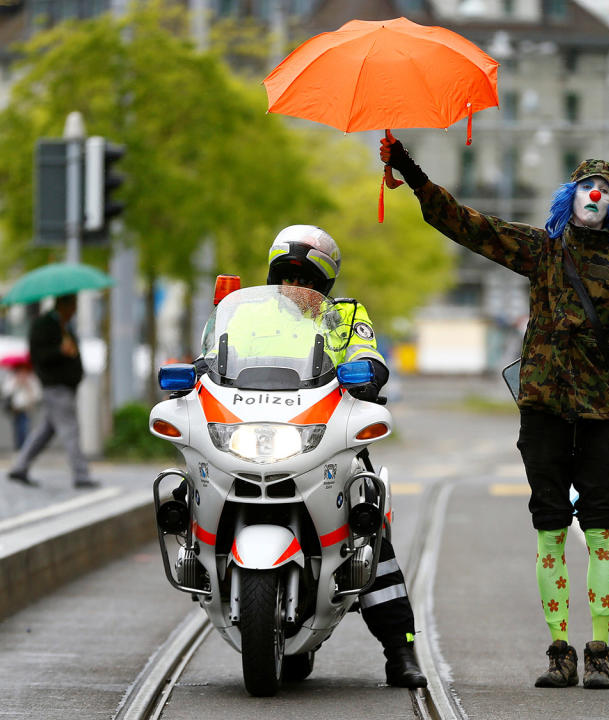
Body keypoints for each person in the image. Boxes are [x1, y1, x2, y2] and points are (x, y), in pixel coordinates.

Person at [380, 133, 609, 690]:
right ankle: (560, 652)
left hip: (599, 418)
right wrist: (411, 173)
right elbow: (468, 225)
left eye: (606, 190)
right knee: (548, 531)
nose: (596, 194)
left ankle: (599, 652)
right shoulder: (543, 251)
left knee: (600, 531)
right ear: (570, 196)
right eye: (588, 186)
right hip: (542, 411)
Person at [178, 225, 426, 688]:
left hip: (322, 431)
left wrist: (369, 375)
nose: (297, 288)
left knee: (367, 523)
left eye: (308, 280)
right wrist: (194, 375)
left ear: (324, 285)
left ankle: (400, 650)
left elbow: (369, 355)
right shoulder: (245, 316)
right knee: (187, 483)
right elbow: (211, 359)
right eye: (288, 276)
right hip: (252, 429)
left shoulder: (345, 316)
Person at [7, 293, 98, 489]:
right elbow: (37, 354)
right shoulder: (44, 325)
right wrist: (60, 351)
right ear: (63, 305)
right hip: (55, 385)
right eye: (73, 306)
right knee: (70, 429)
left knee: (46, 430)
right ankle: (81, 475)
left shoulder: (65, 327)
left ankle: (20, 466)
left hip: (64, 386)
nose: (75, 310)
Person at [1, 360, 42, 450]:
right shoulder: (12, 378)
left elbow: (37, 395)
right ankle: (19, 447)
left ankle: (24, 448)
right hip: (15, 409)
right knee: (17, 429)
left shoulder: (32, 379)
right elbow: (6, 392)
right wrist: (16, 383)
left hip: (27, 409)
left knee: (25, 428)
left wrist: (28, 386)